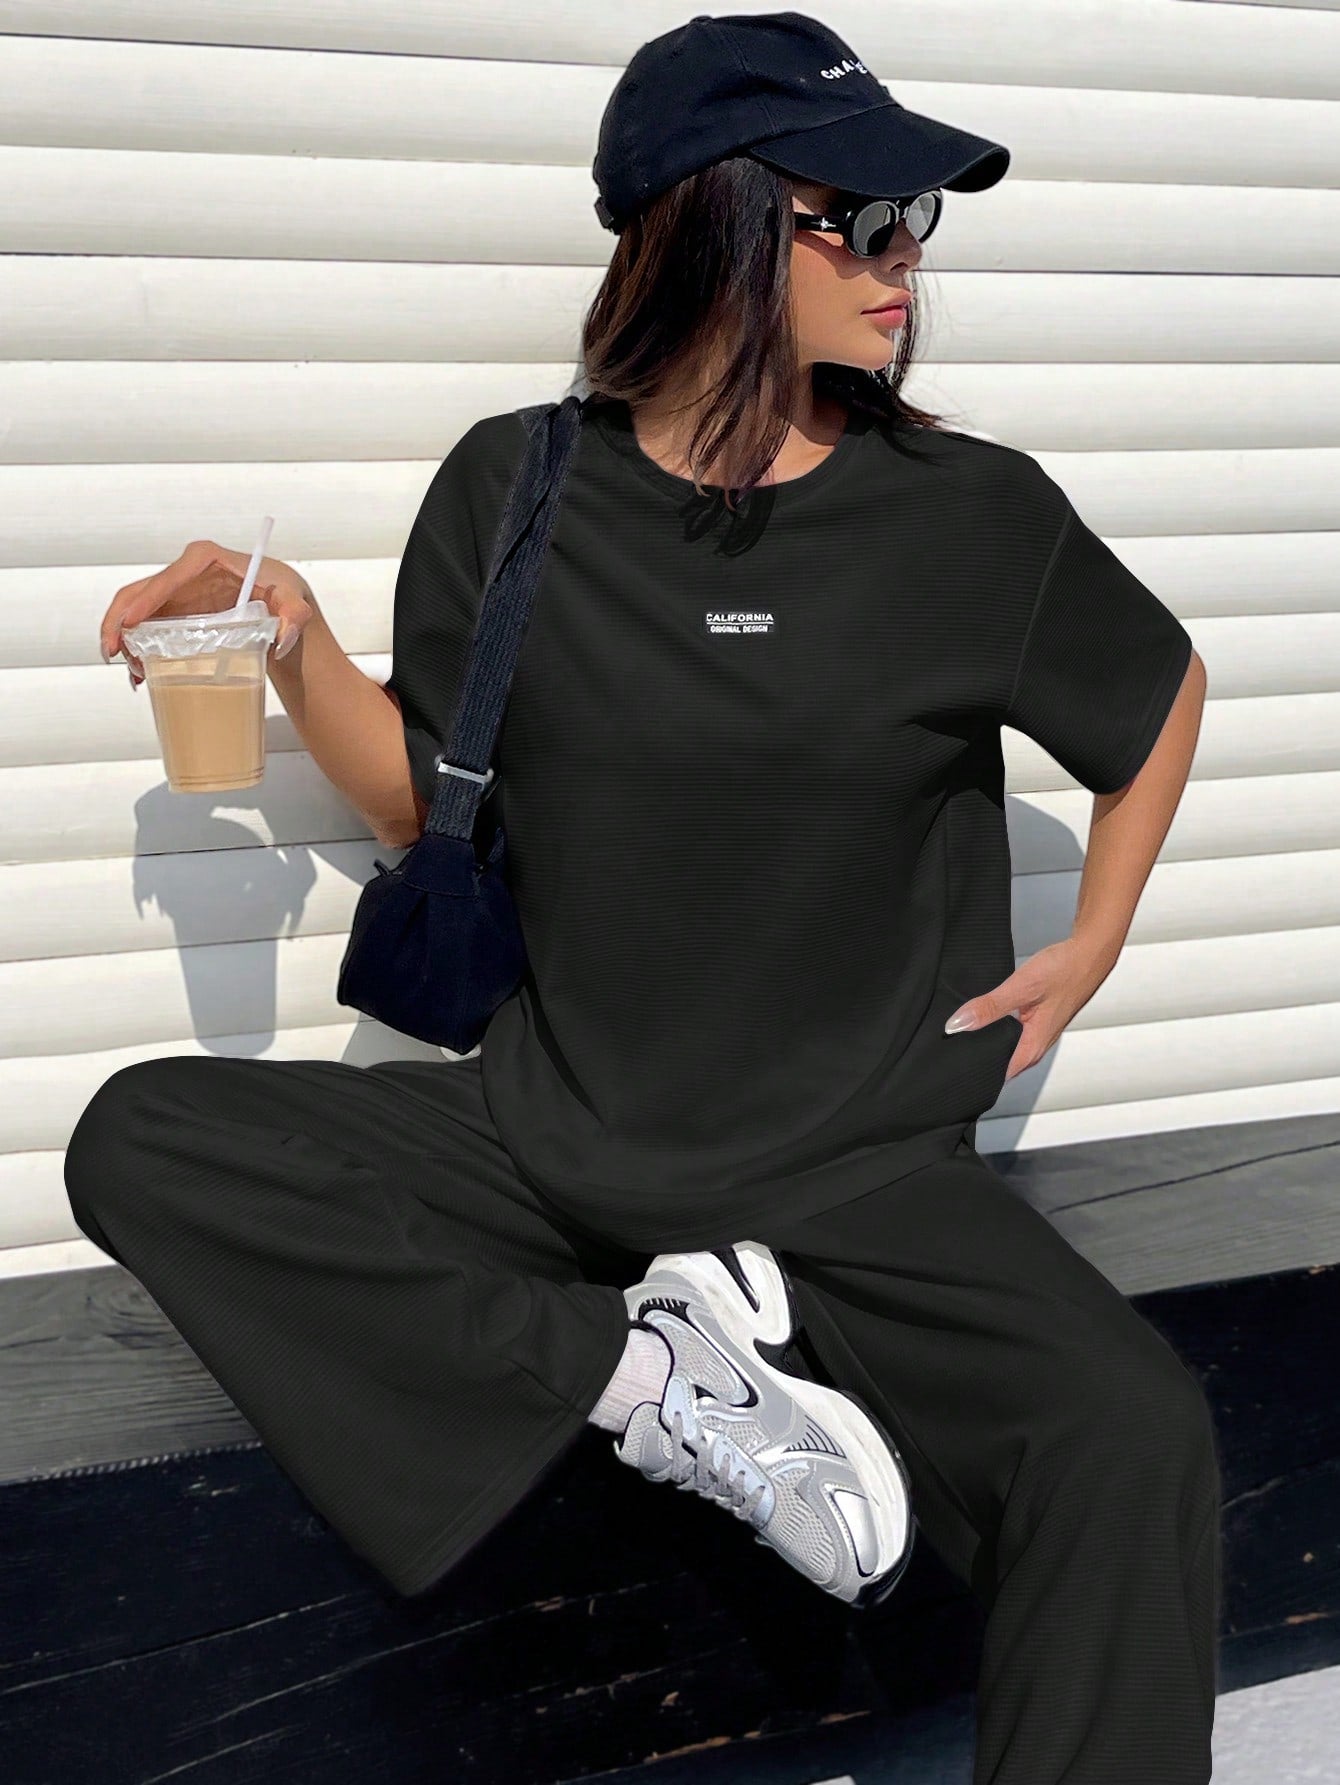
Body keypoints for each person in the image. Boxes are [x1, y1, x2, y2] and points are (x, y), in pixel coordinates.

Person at [65, 13, 1221, 1783]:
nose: (905, 259)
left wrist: (1096, 939)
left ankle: (683, 1362)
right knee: (146, 1137)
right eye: (860, 217)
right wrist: (289, 636)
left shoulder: (970, 515)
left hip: (855, 1170)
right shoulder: (518, 488)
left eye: (917, 217)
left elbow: (1158, 692)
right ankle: (642, 1374)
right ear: (715, 228)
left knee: (1131, 1437)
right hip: (564, 1138)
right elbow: (429, 798)